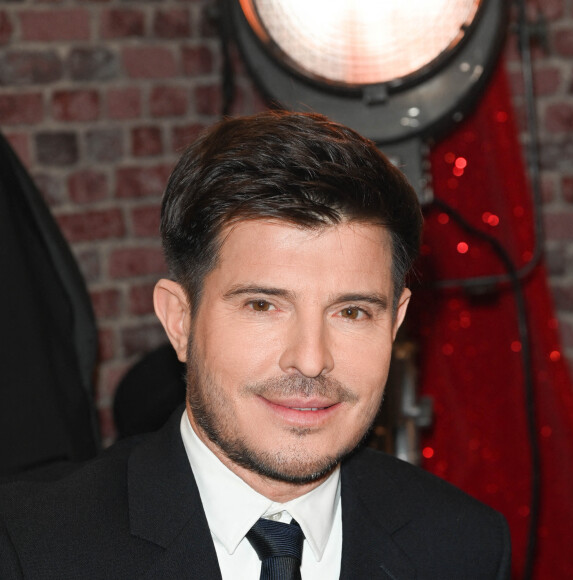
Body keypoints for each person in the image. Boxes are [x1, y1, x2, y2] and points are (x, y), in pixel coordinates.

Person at [0, 111, 510, 579]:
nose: (311, 359)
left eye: (352, 312)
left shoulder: (464, 547)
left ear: (395, 322)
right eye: (263, 305)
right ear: (180, 321)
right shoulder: (29, 545)